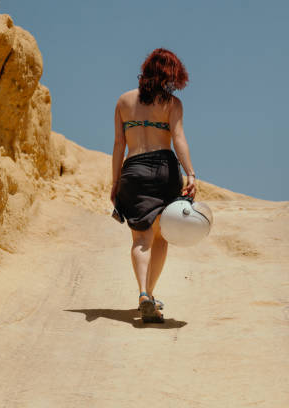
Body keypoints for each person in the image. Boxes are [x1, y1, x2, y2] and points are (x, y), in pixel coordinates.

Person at [110, 48, 196, 323]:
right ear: (171, 76)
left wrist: (115, 182)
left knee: (140, 238)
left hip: (134, 169)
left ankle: (144, 294)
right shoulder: (172, 104)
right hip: (164, 168)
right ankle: (149, 294)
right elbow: (179, 138)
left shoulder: (124, 101)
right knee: (161, 235)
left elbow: (119, 145)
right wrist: (191, 173)